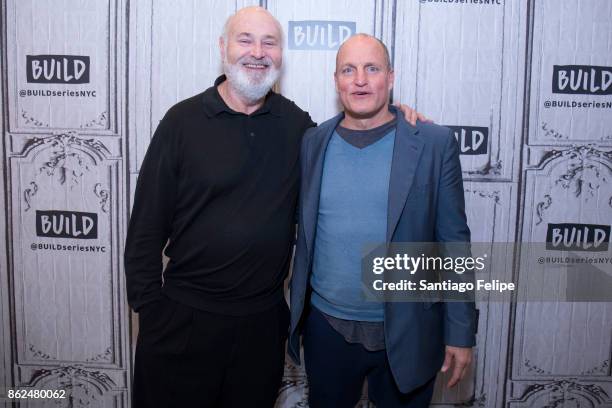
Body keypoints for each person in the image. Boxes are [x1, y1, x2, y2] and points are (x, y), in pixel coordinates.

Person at [124, 7, 423, 408]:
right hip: (183, 322)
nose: (258, 52)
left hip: (261, 329)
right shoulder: (182, 121)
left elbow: (357, 140)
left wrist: (399, 120)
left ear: (282, 54)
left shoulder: (298, 127)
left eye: (270, 42)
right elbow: (144, 230)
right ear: (223, 48)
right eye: (245, 39)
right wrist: (153, 312)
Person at [288, 34, 477, 408]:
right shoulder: (312, 142)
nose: (360, 80)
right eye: (349, 70)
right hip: (327, 330)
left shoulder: (433, 144)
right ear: (336, 81)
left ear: (390, 78)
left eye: (371, 69)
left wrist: (460, 332)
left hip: (409, 333)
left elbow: (454, 245)